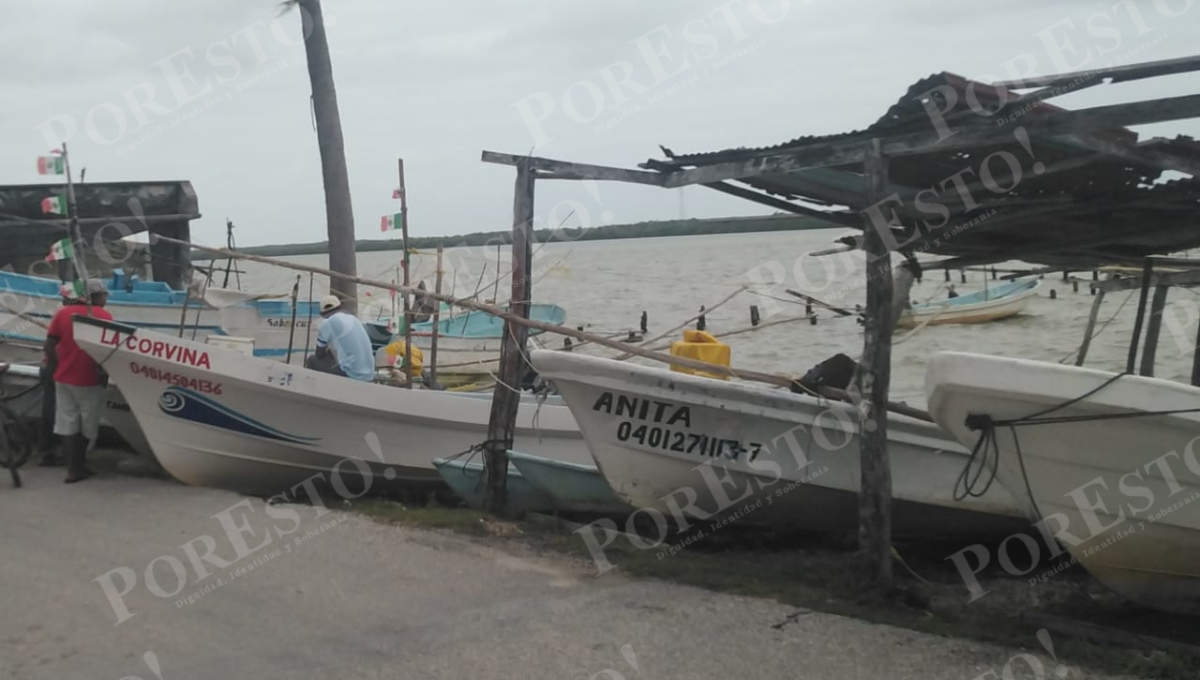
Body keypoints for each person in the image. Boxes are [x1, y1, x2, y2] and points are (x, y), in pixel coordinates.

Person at [44, 279, 113, 483]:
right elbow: (107, 351)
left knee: (68, 423)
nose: (106, 298)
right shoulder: (104, 316)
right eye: (104, 294)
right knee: (88, 426)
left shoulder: (63, 313)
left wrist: (54, 366)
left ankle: (73, 468)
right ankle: (77, 467)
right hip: (89, 379)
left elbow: (49, 344)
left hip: (63, 377)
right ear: (96, 296)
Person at [306, 295, 375, 381]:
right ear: (340, 307)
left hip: (352, 374)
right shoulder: (354, 319)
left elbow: (319, 354)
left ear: (323, 314)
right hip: (369, 375)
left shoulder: (327, 323)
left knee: (312, 360)